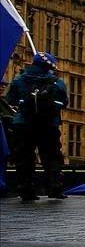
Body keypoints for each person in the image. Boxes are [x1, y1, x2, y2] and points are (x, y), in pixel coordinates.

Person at [6, 52, 67, 201]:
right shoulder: (57, 82)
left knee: (24, 157)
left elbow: (10, 99)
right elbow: (64, 102)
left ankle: (26, 190)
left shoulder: (19, 79)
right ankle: (54, 188)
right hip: (48, 124)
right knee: (51, 156)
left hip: (23, 123)